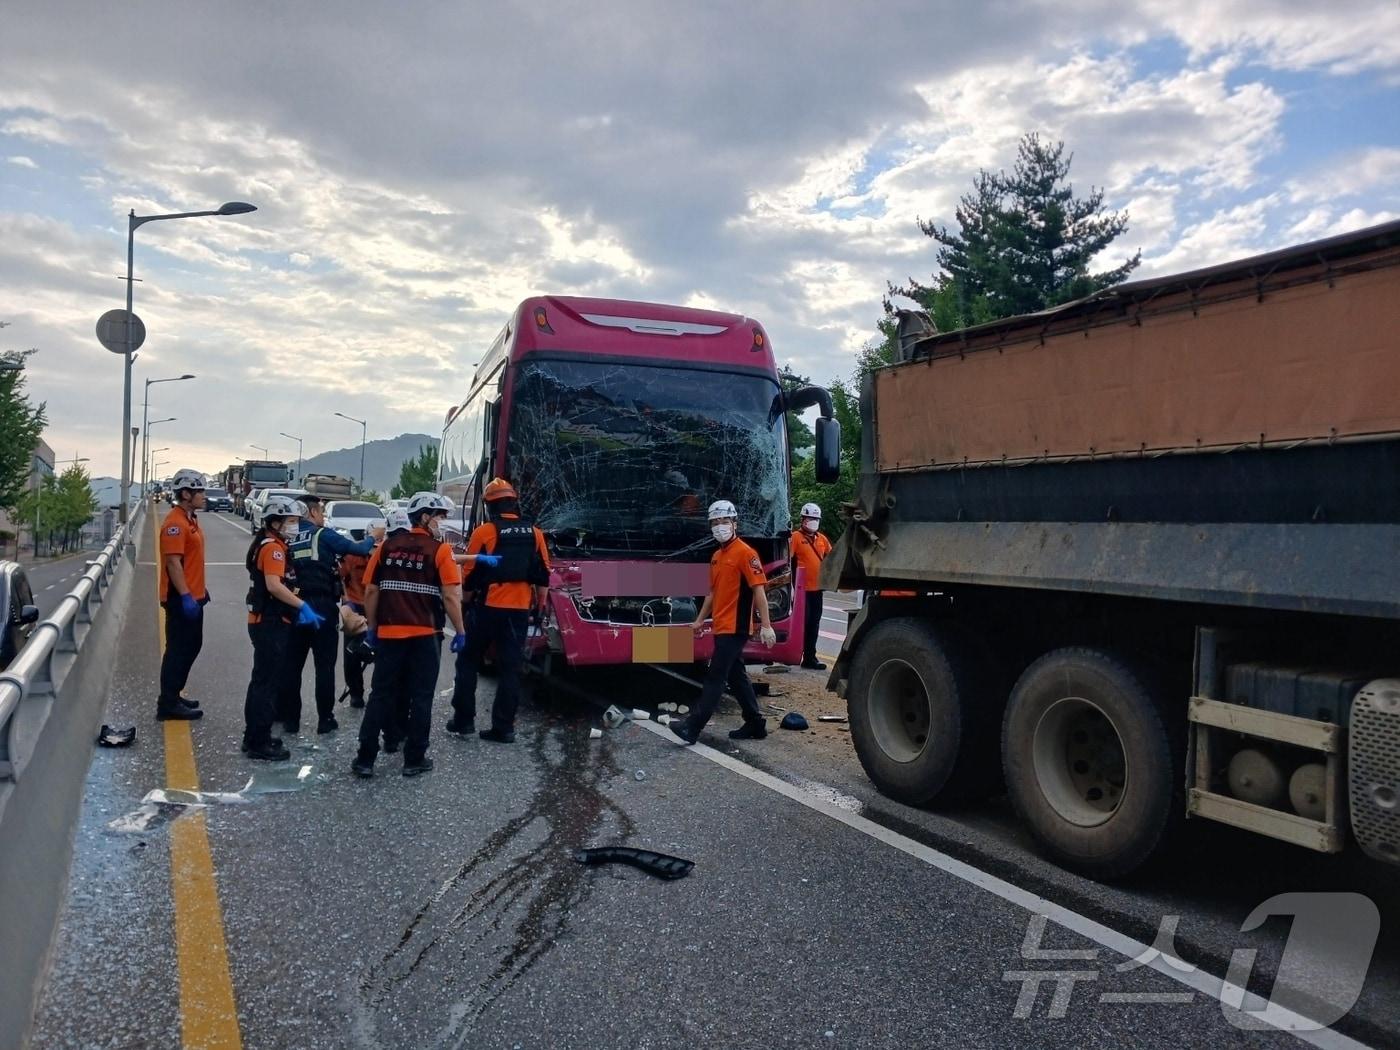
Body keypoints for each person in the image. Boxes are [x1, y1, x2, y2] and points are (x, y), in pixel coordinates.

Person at [352, 492, 465, 778]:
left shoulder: (386, 547)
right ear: (425, 517)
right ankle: (414, 759)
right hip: (426, 635)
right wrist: (461, 631)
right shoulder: (439, 551)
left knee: (380, 694)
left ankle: (365, 759)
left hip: (390, 634)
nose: (442, 522)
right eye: (439, 516)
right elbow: (451, 596)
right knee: (421, 696)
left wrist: (373, 628)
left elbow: (371, 591)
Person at [449, 478, 550, 744]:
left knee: (468, 660)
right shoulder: (535, 533)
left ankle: (464, 721)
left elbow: (470, 574)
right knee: (510, 668)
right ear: (514, 503)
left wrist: (466, 604)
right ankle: (504, 728)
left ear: (490, 505)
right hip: (518, 611)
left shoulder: (485, 532)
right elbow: (543, 576)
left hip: (487, 607)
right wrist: (538, 609)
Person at [671, 499, 775, 745]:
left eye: (724, 521)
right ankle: (755, 724)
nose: (720, 526)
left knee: (715, 677)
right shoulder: (717, 556)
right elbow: (712, 593)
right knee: (736, 675)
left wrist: (767, 625)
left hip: (736, 627)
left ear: (734, 523)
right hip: (721, 625)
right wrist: (699, 621)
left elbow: (759, 591)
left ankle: (692, 727)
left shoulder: (746, 554)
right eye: (715, 522)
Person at [276, 494, 377, 735]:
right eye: (321, 511)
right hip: (321, 606)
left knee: (292, 666)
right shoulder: (323, 534)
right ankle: (325, 719)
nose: (323, 516)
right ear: (311, 513)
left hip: (295, 605)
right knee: (324, 666)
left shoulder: (287, 538)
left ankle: (291, 720)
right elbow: (357, 548)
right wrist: (374, 537)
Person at [243, 495, 324, 760]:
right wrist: (303, 606)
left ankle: (254, 736)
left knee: (261, 680)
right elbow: (274, 585)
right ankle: (259, 742)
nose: (295, 525)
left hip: (266, 620)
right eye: (290, 521)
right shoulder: (273, 549)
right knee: (267, 683)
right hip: (270, 622)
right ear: (275, 522)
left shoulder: (268, 544)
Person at [156, 468, 210, 721]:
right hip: (180, 598)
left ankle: (174, 694)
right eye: (200, 491)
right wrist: (186, 596)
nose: (204, 496)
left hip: (194, 595)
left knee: (191, 646)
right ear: (186, 494)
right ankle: (167, 703)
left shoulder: (189, 519)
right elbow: (173, 564)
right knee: (178, 649)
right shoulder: (175, 524)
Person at [339, 515, 396, 709]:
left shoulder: (390, 556)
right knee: (351, 654)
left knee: (384, 653)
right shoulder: (353, 556)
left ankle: (381, 692)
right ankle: (356, 693)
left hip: (381, 608)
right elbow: (338, 576)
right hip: (357, 605)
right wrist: (346, 600)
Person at [791, 501, 834, 671]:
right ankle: (796, 654)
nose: (813, 521)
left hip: (817, 590)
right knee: (803, 623)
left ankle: (810, 657)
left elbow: (831, 557)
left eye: (816, 518)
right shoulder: (795, 537)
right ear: (803, 519)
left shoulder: (822, 539)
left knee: (814, 624)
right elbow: (788, 559)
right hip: (801, 591)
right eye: (810, 518)